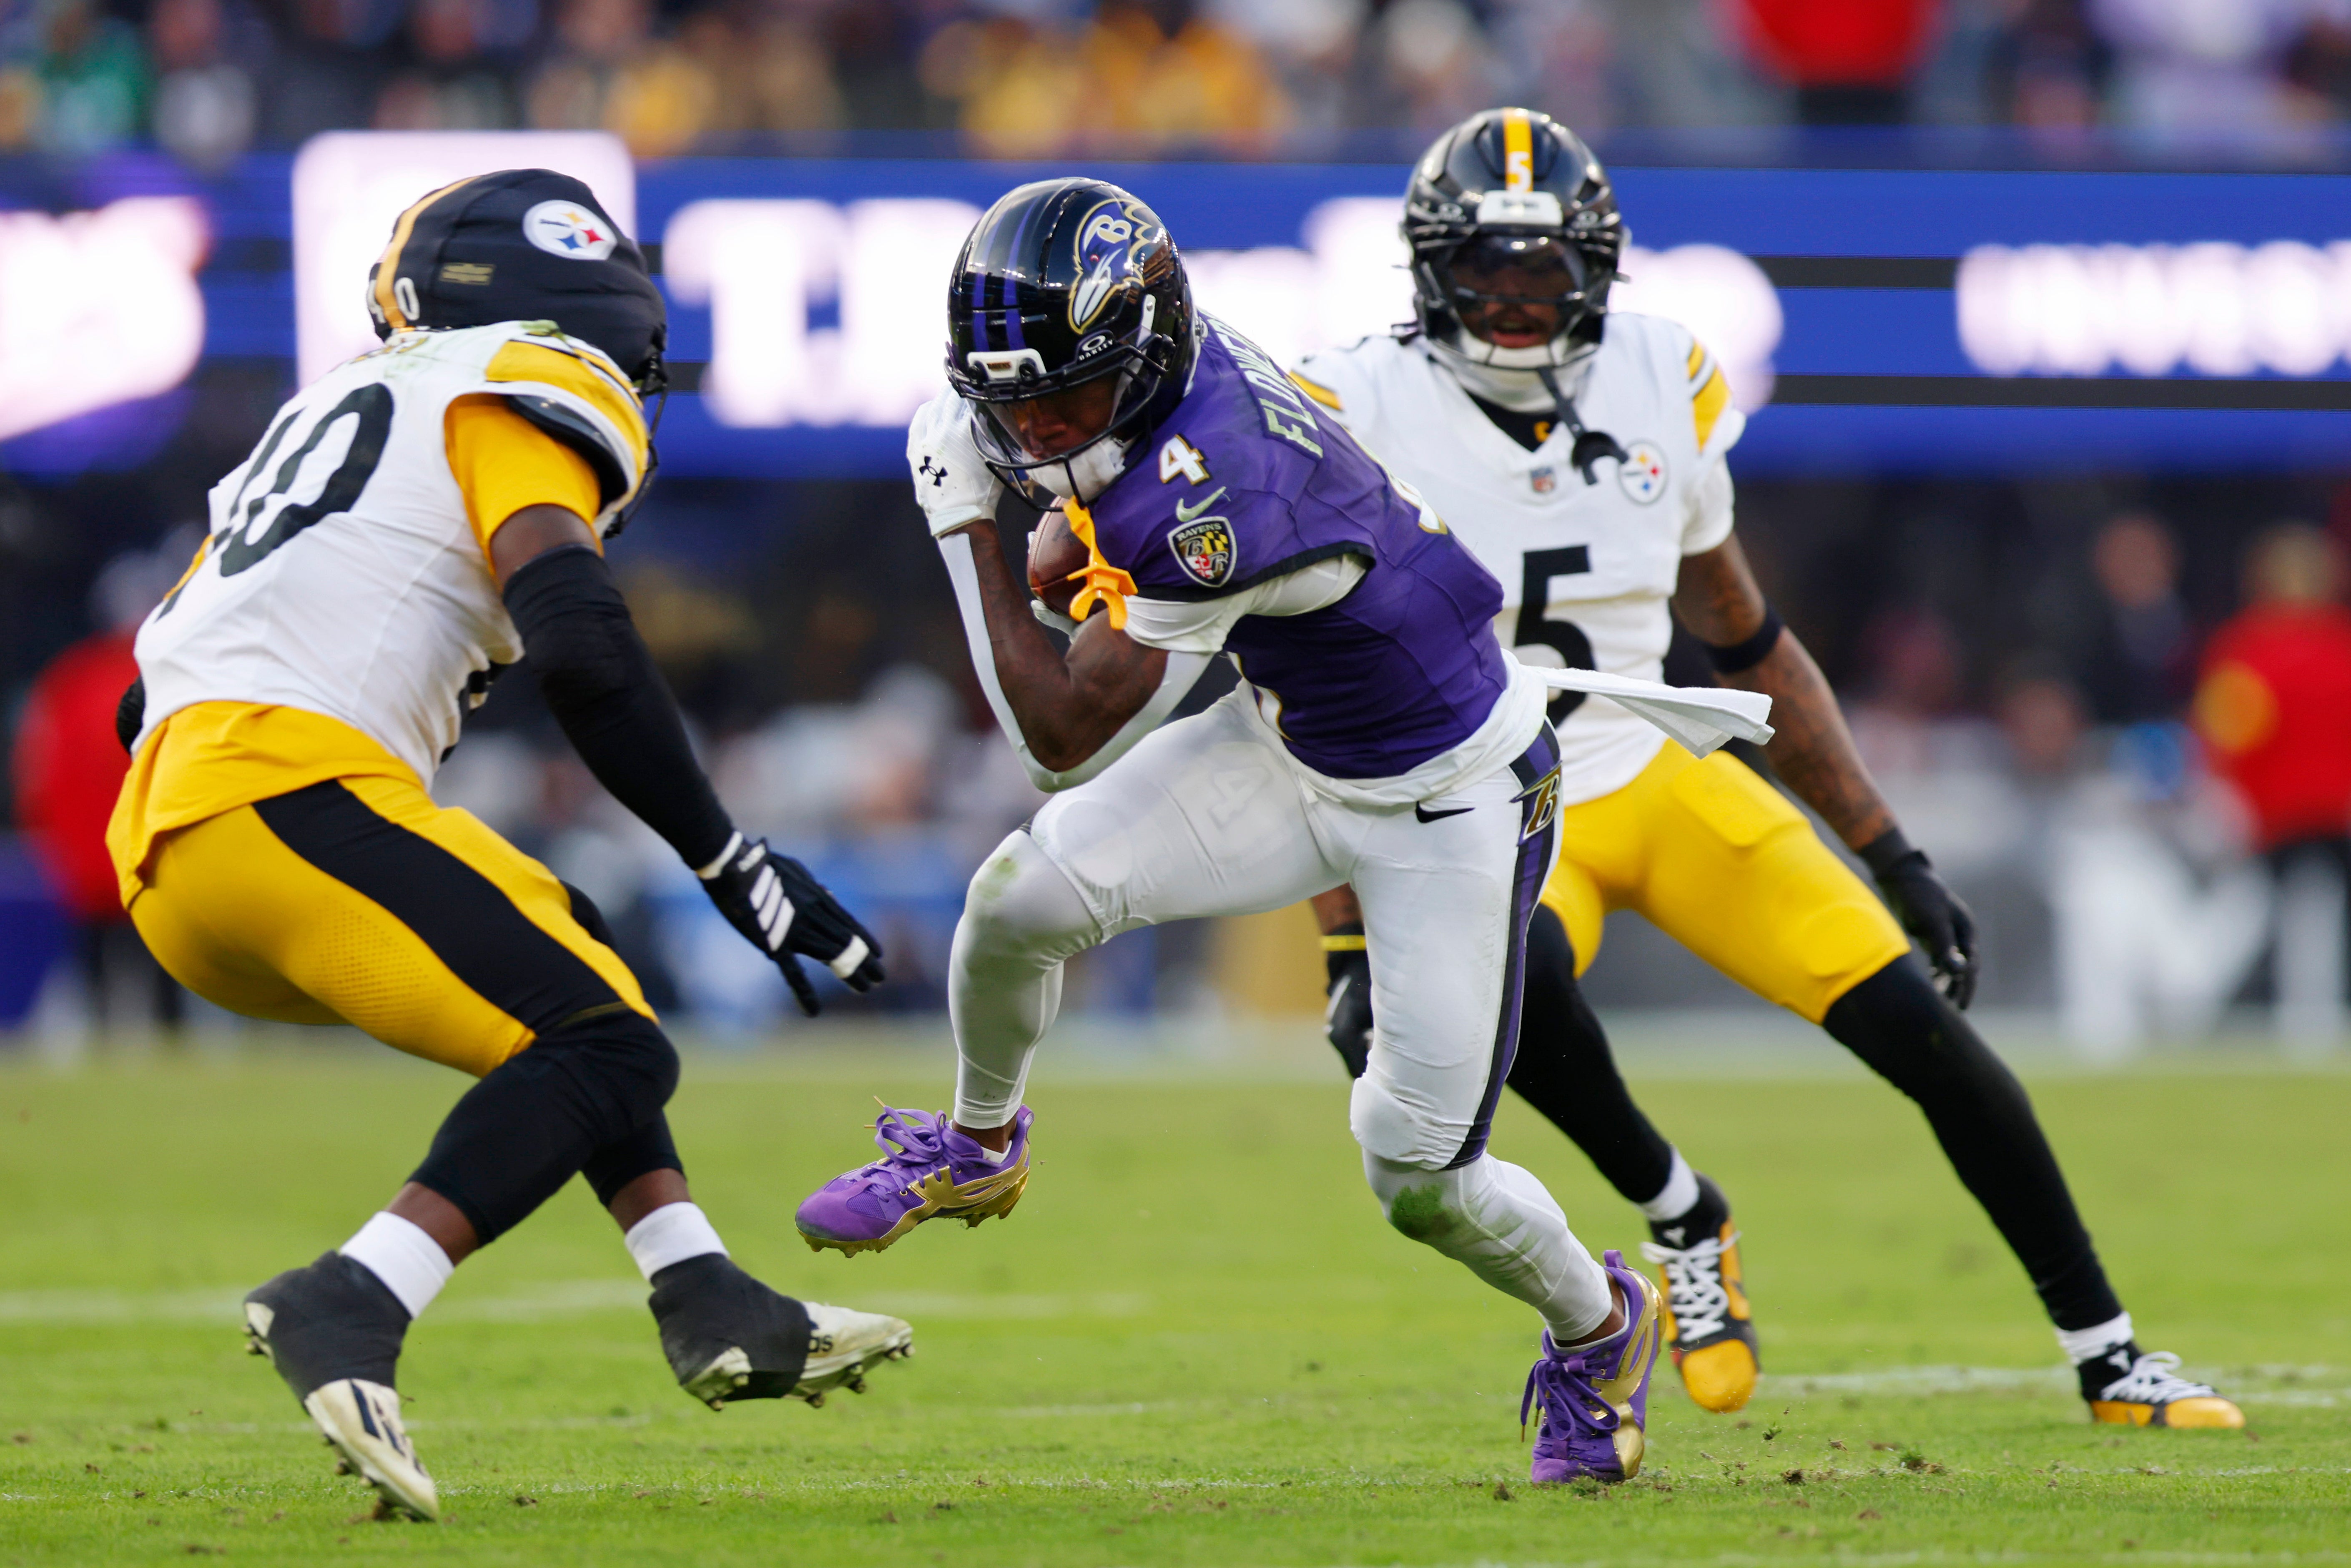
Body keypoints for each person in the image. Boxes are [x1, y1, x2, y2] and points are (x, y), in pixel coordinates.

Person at [1289, 108, 2241, 1430]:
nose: (1514, 304)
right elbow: (1305, 680)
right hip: (1487, 798)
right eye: (1486, 272)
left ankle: (2110, 1351)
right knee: (1516, 967)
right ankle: (1678, 1207)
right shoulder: (1349, 405)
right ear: (1429, 272)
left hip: (1657, 768)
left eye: (1542, 273)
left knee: (1926, 1033)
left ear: (1596, 269)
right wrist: (1344, 943)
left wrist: (1886, 841)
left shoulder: (1660, 375)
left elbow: (1744, 638)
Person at [788, 176, 1736, 1485]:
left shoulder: (1224, 490)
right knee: (1016, 895)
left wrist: (965, 528)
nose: (1037, 429)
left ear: (1145, 349)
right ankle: (977, 1138)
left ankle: (1599, 1321)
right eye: (1013, 404)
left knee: (1415, 1173)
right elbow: (1090, 540)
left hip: (1447, 790)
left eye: (1063, 401)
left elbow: (1056, 731)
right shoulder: (1161, 369)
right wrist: (1067, 519)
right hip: (1296, 734)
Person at [105, 170, 909, 1522]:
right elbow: (584, 647)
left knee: (577, 963)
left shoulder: (333, 406)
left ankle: (701, 1291)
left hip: (181, 849)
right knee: (608, 1044)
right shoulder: (525, 375)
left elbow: (145, 692)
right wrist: (730, 864)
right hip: (284, 787)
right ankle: (352, 1298)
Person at [2193, 522, 2351, 1050]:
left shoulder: (2246, 649)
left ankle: (2205, 1012)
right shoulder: (2339, 645)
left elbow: (2227, 735)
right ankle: (2312, 1022)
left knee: (2250, 927)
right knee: (2318, 929)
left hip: (2272, 815)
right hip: (2332, 813)